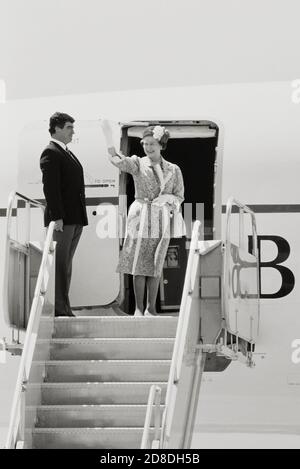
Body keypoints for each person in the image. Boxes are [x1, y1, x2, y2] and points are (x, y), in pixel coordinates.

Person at [101, 120, 184, 317]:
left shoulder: (174, 169)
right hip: (140, 214)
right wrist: (108, 139)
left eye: (151, 144)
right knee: (139, 262)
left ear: (161, 145)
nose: (147, 147)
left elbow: (180, 196)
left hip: (161, 217)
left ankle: (151, 308)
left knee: (155, 264)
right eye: (145, 144)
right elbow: (117, 160)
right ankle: (139, 308)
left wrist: (169, 198)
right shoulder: (138, 163)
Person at [40, 112, 88, 317]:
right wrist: (57, 217)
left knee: (66, 265)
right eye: (69, 127)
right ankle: (60, 309)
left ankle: (65, 307)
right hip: (63, 220)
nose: (73, 131)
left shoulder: (66, 152)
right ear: (57, 128)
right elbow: (50, 188)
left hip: (75, 218)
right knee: (60, 264)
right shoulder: (50, 152)